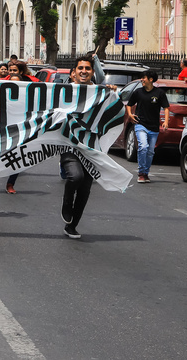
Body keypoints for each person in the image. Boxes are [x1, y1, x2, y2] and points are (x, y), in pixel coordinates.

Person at [60, 55, 116, 239]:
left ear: (92, 72)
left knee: (85, 189)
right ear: (74, 72)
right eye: (80, 68)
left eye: (87, 68)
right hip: (70, 146)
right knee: (75, 176)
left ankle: (72, 226)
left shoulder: (101, 92)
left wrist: (112, 93)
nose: (84, 71)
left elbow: (114, 109)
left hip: (92, 148)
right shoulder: (64, 91)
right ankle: (66, 203)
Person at [126, 70, 169, 183]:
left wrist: (166, 122)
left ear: (150, 79)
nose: (142, 80)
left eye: (143, 78)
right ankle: (141, 173)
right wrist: (130, 114)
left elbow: (166, 108)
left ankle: (146, 172)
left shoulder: (160, 93)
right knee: (143, 147)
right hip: (140, 124)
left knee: (150, 152)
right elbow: (129, 104)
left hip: (154, 127)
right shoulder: (138, 92)